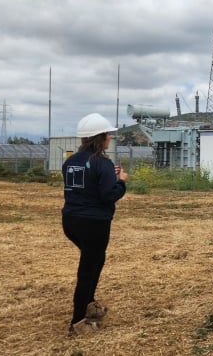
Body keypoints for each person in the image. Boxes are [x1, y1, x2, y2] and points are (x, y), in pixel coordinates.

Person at [61, 113, 129, 334]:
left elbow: (85, 186)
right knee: (89, 269)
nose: (110, 137)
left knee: (94, 261)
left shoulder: (71, 161)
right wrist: (121, 182)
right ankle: (79, 321)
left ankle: (89, 304)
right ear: (101, 138)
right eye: (108, 134)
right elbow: (108, 195)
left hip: (70, 220)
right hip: (94, 223)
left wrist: (110, 176)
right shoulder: (102, 162)